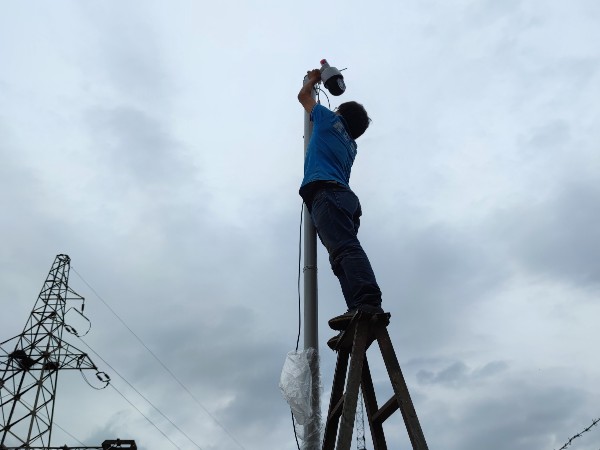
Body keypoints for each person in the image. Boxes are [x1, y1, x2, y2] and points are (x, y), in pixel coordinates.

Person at [298, 69, 384, 331]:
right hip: (343, 197)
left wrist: (312, 80)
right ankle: (357, 308)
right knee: (341, 255)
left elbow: (303, 97)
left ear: (340, 113)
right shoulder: (351, 144)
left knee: (344, 250)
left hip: (328, 193)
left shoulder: (326, 119)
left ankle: (368, 302)